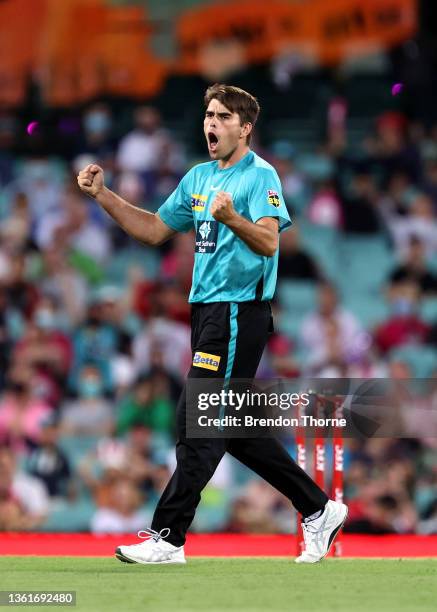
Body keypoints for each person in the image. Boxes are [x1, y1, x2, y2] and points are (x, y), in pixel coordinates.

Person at [77, 83, 348, 565]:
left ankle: (168, 536)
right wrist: (103, 196)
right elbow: (155, 230)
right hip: (207, 314)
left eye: (223, 117)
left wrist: (234, 217)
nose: (212, 123)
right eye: (209, 115)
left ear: (245, 128)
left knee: (197, 420)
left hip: (240, 312)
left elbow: (269, 243)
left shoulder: (259, 175)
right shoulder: (200, 177)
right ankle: (319, 509)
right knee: (235, 427)